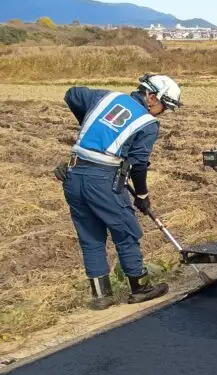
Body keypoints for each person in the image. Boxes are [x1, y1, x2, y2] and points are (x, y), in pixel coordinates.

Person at [54, 74, 183, 310]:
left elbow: (71, 94)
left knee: (91, 237)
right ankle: (140, 288)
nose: (163, 112)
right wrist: (142, 196)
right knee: (125, 231)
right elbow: (139, 164)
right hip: (102, 181)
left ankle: (101, 296)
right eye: (164, 106)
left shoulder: (105, 97)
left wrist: (91, 123)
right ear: (152, 97)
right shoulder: (148, 123)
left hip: (73, 175)